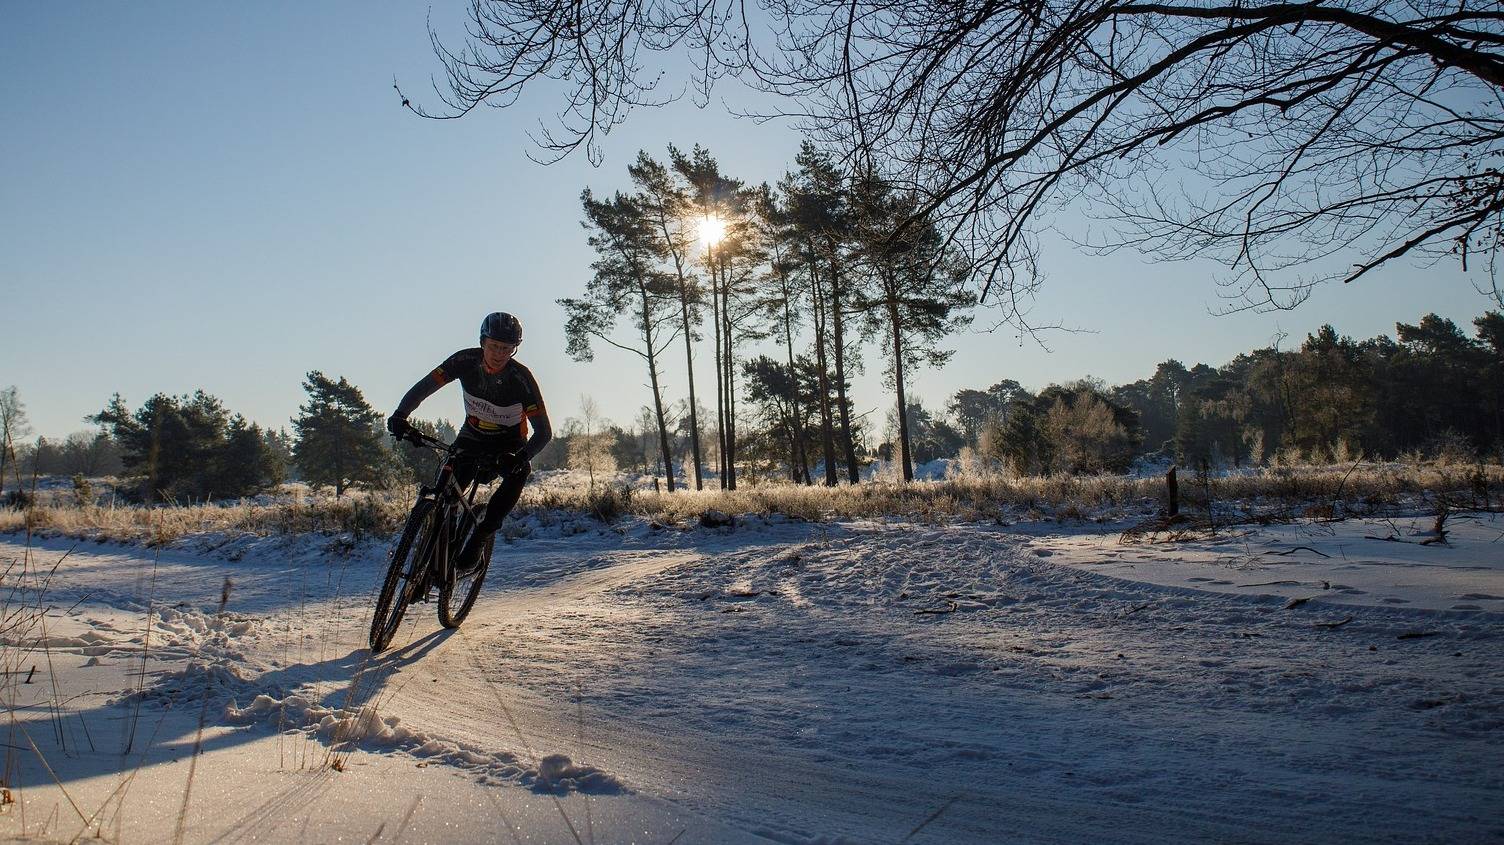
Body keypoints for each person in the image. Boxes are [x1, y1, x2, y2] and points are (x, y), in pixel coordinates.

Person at [386, 312, 551, 574]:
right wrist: (400, 415)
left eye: (507, 349)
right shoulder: (464, 360)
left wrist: (519, 458)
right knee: (446, 492)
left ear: (514, 349)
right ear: (482, 342)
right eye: (494, 346)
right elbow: (426, 386)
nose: (499, 354)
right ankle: (434, 557)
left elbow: (543, 433)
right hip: (472, 436)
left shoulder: (521, 378)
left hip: (507, 444)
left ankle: (482, 534)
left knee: (521, 471)